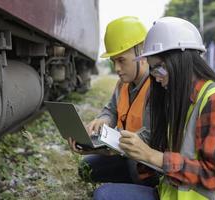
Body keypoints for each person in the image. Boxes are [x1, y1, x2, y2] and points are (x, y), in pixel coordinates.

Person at [93, 16, 215, 200]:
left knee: (105, 196)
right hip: (171, 193)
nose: (156, 78)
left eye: (159, 69)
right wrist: (106, 147)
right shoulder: (180, 98)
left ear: (180, 61)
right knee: (105, 194)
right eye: (153, 70)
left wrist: (152, 156)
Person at [68, 16, 159, 187]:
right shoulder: (122, 84)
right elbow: (111, 109)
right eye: (113, 61)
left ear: (142, 54)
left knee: (111, 189)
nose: (116, 68)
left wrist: (102, 148)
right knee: (86, 168)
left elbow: (147, 139)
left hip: (145, 165)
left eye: (121, 60)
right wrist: (104, 119)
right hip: (124, 153)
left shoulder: (157, 88)